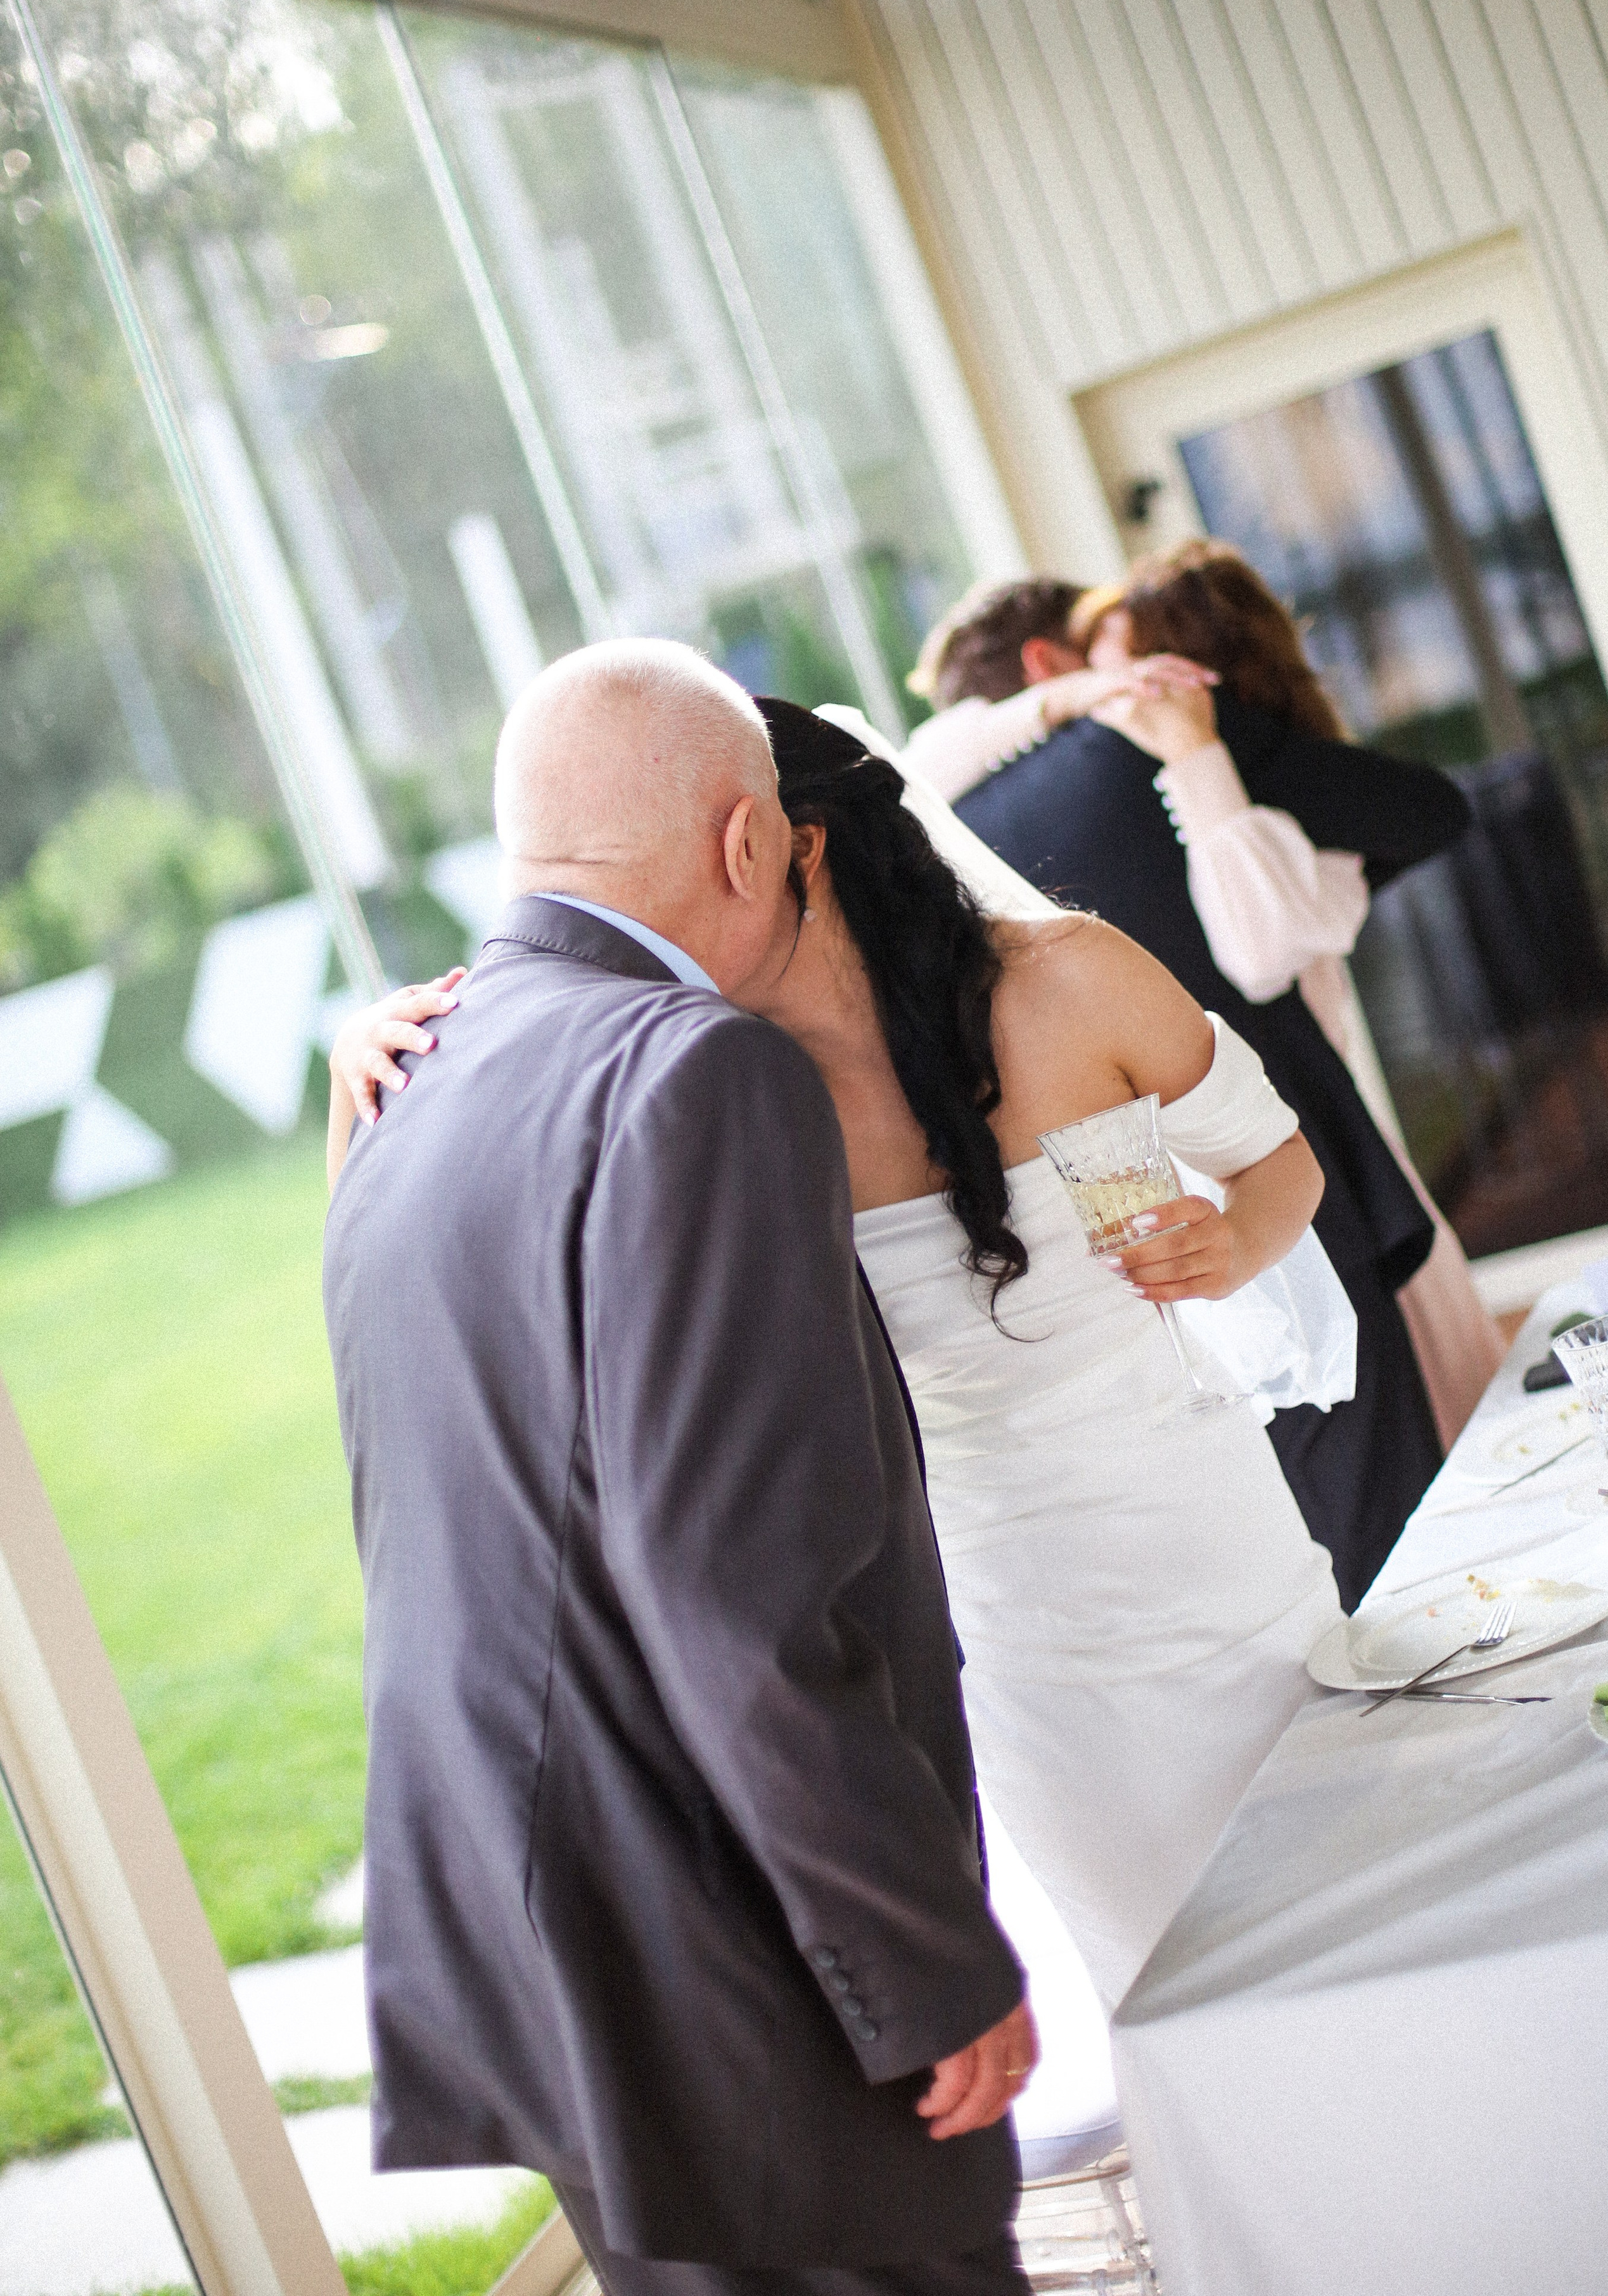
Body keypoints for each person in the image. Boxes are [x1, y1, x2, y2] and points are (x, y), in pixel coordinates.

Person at [331, 692, 1343, 2018]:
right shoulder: (713, 1098)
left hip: (1223, 1558)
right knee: (1176, 1993)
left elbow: (1276, 1163)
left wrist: (1226, 1246)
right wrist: (357, 1092)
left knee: (1348, 1908)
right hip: (1017, 1641)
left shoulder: (1066, 978)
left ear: (782, 846)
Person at [323, 641, 1037, 2296]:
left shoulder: (397, 1080)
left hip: (536, 1943)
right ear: (744, 845)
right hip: (722, 1944)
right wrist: (922, 1970)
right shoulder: (699, 1075)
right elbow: (736, 1596)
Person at [909, 546, 1474, 1606]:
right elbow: (1423, 813)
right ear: (1055, 662)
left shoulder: (933, 830)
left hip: (1107, 1241)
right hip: (1277, 1175)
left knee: (1277, 1551)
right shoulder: (1155, 742)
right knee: (1391, 1530)